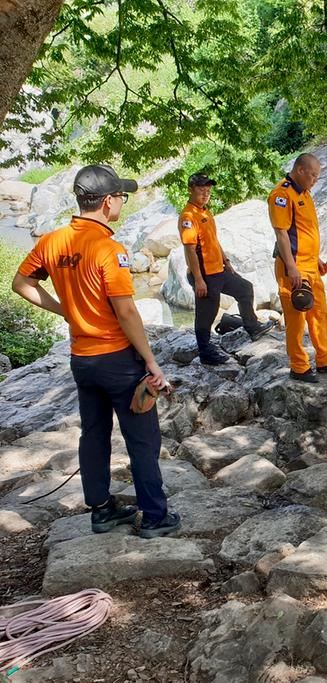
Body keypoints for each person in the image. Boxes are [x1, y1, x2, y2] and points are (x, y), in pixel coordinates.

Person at [11, 165, 180, 538]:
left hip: (82, 359)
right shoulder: (108, 249)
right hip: (118, 358)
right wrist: (151, 362)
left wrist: (64, 310)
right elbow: (126, 310)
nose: (122, 200)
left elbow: (21, 282)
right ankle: (155, 517)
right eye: (120, 195)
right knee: (142, 439)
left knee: (94, 434)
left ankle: (102, 511)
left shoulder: (53, 241)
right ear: (107, 202)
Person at [269, 153, 327, 383]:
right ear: (300, 170)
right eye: (313, 175)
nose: (315, 179)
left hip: (310, 265)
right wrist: (292, 267)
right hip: (293, 267)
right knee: (296, 319)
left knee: (320, 313)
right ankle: (299, 366)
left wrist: (317, 260)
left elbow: (304, 233)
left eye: (317, 176)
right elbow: (282, 233)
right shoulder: (282, 195)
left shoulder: (304, 194)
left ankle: (326, 359)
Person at [178, 173, 274, 365]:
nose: (205, 194)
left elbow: (213, 240)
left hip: (219, 270)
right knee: (207, 313)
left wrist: (226, 261)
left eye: (208, 190)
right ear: (190, 190)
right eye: (201, 190)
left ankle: (253, 326)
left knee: (245, 288)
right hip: (204, 274)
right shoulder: (188, 216)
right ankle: (206, 352)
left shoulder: (205, 212)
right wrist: (198, 279)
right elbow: (189, 249)